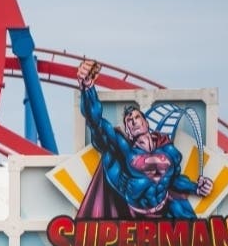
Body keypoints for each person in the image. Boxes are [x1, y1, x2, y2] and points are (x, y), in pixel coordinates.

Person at [76, 59, 213, 220]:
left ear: (146, 123)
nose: (133, 121)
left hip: (165, 214)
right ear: (127, 130)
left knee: (189, 221)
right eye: (129, 120)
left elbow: (173, 180)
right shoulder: (124, 150)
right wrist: (87, 88)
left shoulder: (169, 151)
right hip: (133, 217)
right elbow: (95, 122)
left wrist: (197, 188)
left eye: (136, 117)